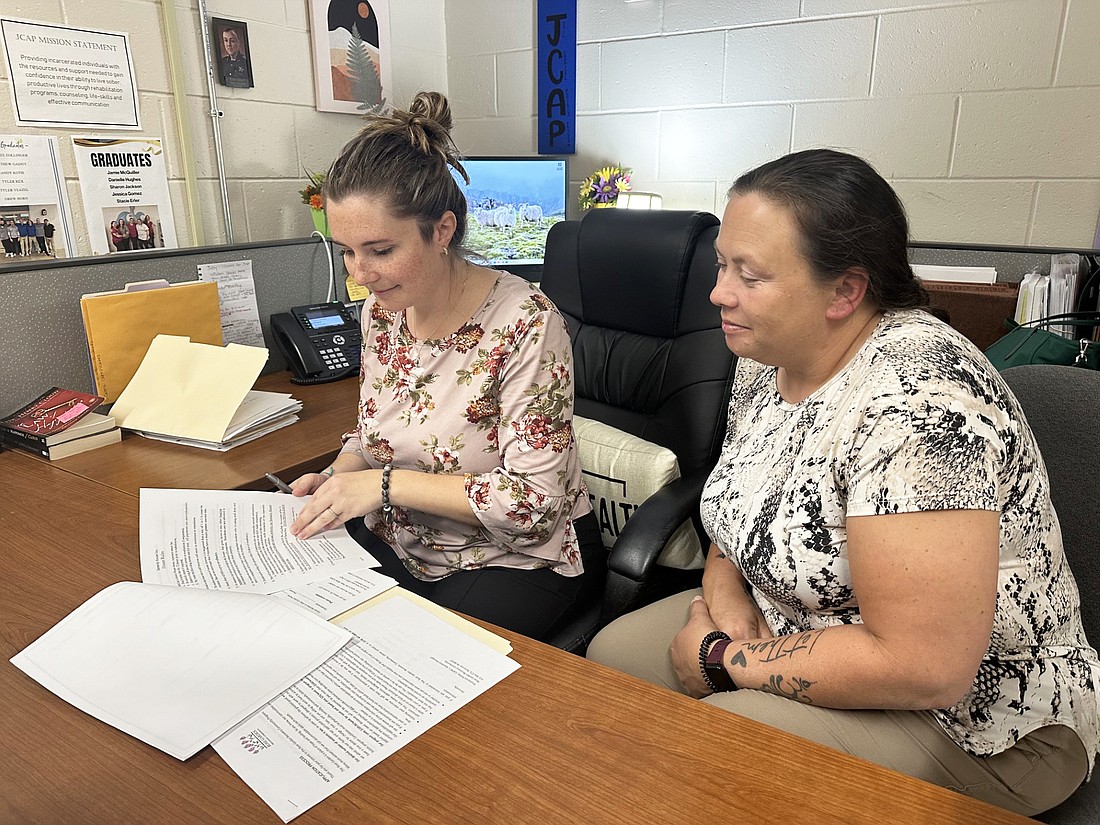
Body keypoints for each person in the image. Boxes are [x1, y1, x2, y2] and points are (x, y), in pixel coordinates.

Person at [586, 148, 1099, 816]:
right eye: (721, 264)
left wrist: (722, 658)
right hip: (797, 621)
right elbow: (738, 506)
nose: (719, 293)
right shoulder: (769, 355)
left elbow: (927, 667)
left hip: (978, 715)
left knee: (724, 754)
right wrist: (722, 593)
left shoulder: (923, 404)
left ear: (845, 291)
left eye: (751, 274)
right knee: (609, 658)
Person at [287, 91, 603, 640]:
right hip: (404, 542)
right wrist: (340, 477)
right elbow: (370, 435)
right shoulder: (381, 315)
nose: (359, 273)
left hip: (511, 557)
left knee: (408, 661)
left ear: (442, 231)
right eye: (346, 250)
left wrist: (382, 487)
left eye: (380, 250)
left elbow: (534, 506)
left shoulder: (525, 320)